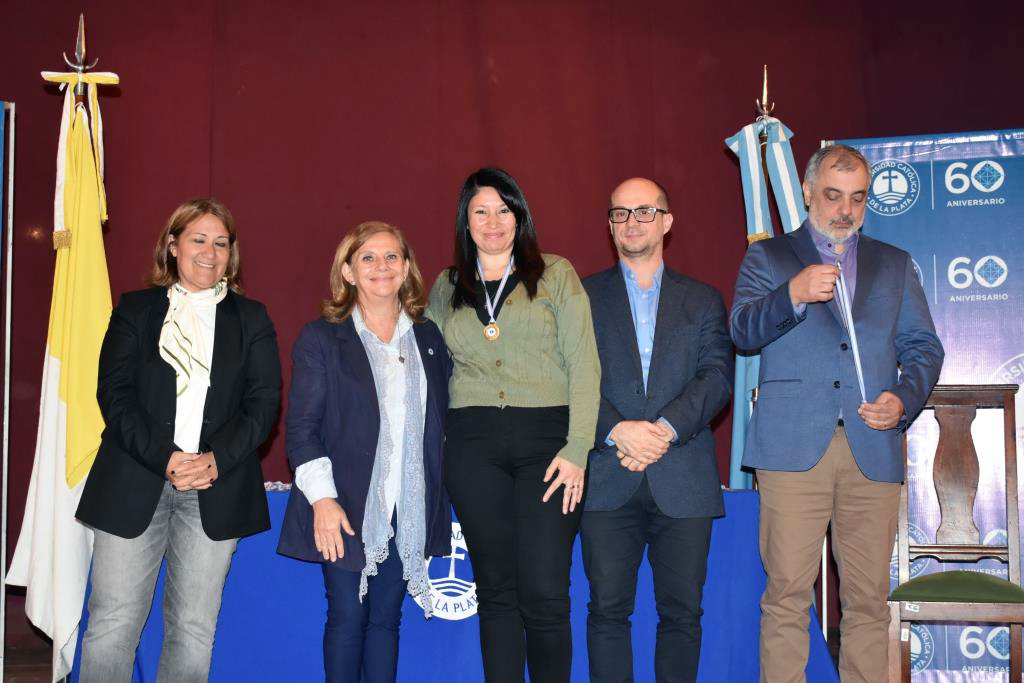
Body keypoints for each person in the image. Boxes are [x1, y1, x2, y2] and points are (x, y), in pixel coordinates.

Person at [730, 144, 944, 682]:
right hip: (791, 449)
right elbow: (742, 331)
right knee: (786, 597)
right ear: (807, 193)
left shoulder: (894, 263)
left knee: (869, 602)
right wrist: (793, 294)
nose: (845, 210)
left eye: (857, 198)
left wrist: (904, 399)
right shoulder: (769, 257)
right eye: (832, 195)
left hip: (873, 448)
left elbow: (923, 347)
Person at [76, 198, 281, 682]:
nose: (210, 252)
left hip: (216, 488)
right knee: (111, 625)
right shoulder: (135, 310)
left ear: (231, 254)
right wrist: (166, 459)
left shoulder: (252, 318)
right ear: (173, 246)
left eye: (221, 243)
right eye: (198, 240)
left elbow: (263, 404)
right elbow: (115, 395)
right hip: (133, 482)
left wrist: (215, 460)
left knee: (193, 630)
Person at [426, 167, 600, 683]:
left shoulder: (556, 274)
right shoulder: (447, 286)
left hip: (550, 448)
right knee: (497, 592)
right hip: (472, 447)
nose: (493, 221)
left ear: (519, 216)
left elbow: (584, 365)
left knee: (545, 591)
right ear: (465, 221)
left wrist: (579, 447)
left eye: (504, 210)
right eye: (480, 211)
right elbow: (426, 368)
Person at [277, 221, 452, 683]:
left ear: (406, 268)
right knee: (348, 618)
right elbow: (302, 429)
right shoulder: (321, 338)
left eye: (392, 256)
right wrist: (323, 500)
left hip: (406, 507)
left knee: (386, 621)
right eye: (368, 258)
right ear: (348, 272)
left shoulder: (429, 339)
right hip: (345, 505)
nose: (381, 266)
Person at [581, 177, 733, 683]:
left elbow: (716, 377)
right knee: (606, 612)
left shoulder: (704, 299)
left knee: (682, 616)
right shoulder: (581, 297)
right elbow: (566, 379)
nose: (632, 222)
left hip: (683, 476)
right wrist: (617, 429)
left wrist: (663, 430)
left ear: (667, 222)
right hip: (606, 474)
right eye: (620, 213)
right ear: (610, 225)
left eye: (644, 211)